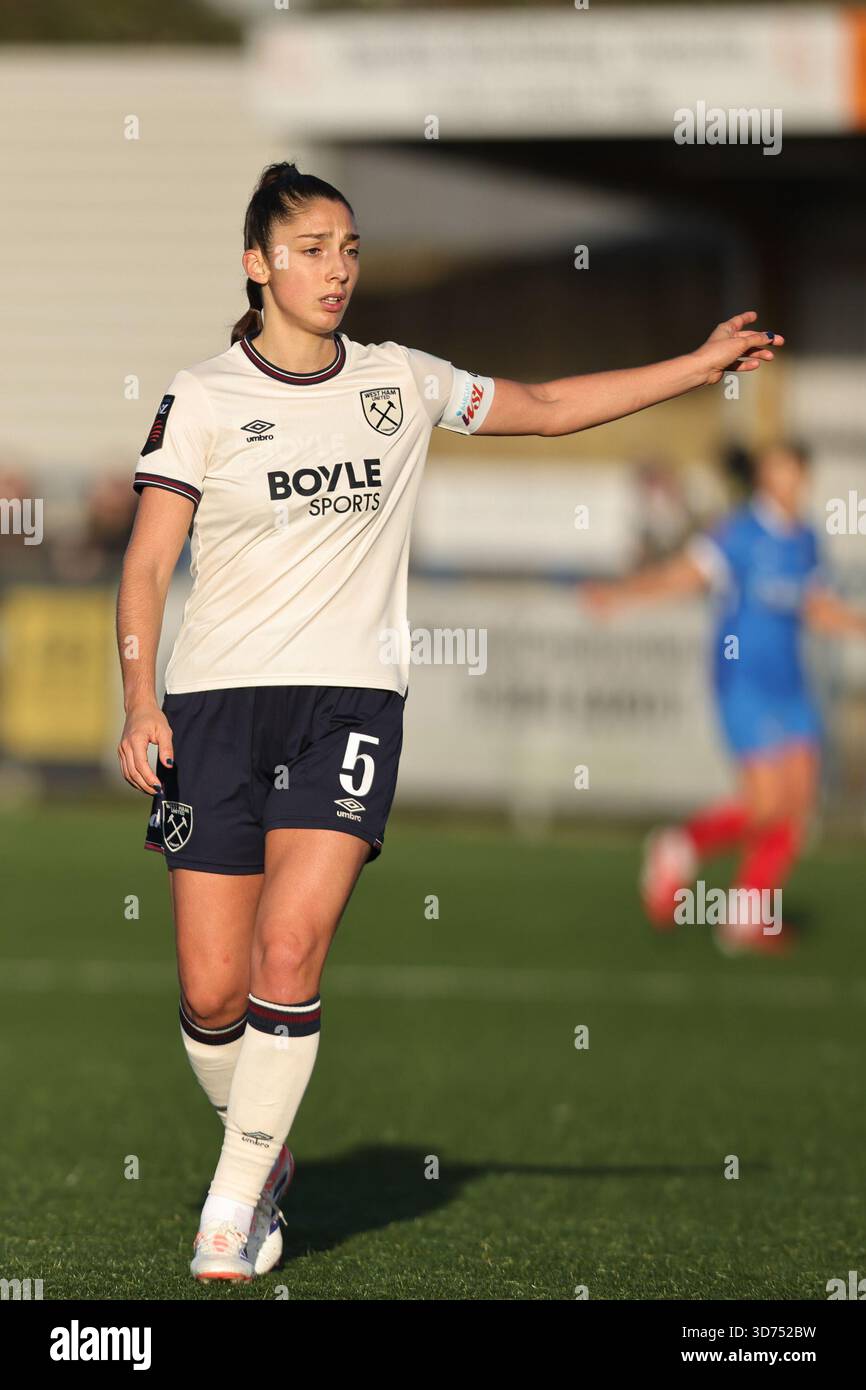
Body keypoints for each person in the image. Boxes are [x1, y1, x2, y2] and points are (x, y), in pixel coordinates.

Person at [115, 158, 785, 1282]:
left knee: (290, 946)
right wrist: (139, 697)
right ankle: (265, 1152)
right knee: (209, 990)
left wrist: (699, 365)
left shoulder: (401, 379)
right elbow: (144, 566)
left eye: (349, 249)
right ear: (256, 263)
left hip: (348, 703)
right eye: (312, 249)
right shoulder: (201, 399)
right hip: (212, 710)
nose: (335, 269)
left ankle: (230, 1208)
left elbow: (549, 406)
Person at [582, 441, 866, 955]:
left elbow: (816, 608)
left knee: (798, 802)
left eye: (787, 470)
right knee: (763, 804)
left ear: (801, 475)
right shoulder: (738, 532)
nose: (779, 480)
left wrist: (857, 625)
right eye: (771, 470)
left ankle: (747, 917)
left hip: (791, 682)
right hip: (743, 681)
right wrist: (622, 596)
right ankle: (679, 847)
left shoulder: (805, 540)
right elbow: (683, 577)